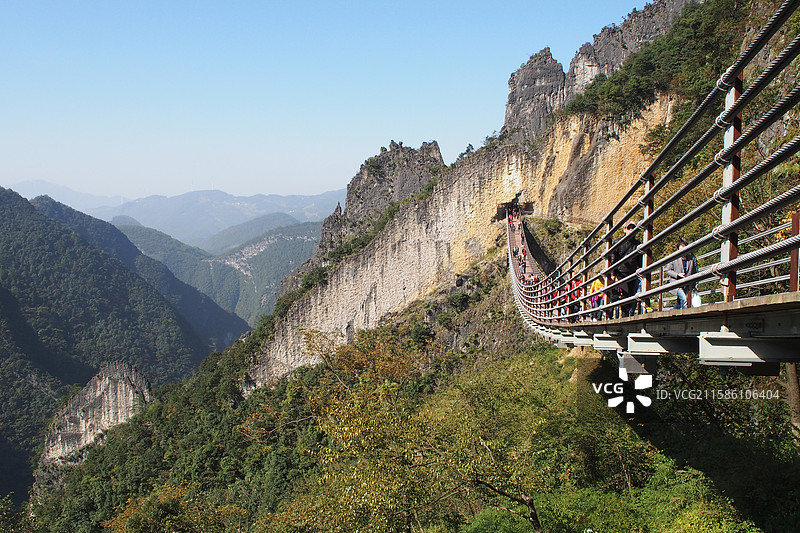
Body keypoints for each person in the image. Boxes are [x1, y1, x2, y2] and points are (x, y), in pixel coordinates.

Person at [611, 222, 642, 317]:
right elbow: (613, 258)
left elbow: (640, 259)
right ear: (625, 229)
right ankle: (624, 314)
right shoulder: (618, 242)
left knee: (632, 294)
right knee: (625, 293)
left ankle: (627, 313)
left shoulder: (638, 244)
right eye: (629, 228)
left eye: (633, 228)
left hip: (633, 272)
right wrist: (613, 273)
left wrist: (641, 271)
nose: (631, 230)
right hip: (621, 272)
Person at [665, 239, 698, 309]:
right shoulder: (673, 258)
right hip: (676, 283)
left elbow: (695, 271)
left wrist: (696, 284)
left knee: (680, 301)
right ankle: (684, 316)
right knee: (684, 299)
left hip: (687, 283)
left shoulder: (692, 258)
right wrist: (677, 274)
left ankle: (673, 313)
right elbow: (667, 270)